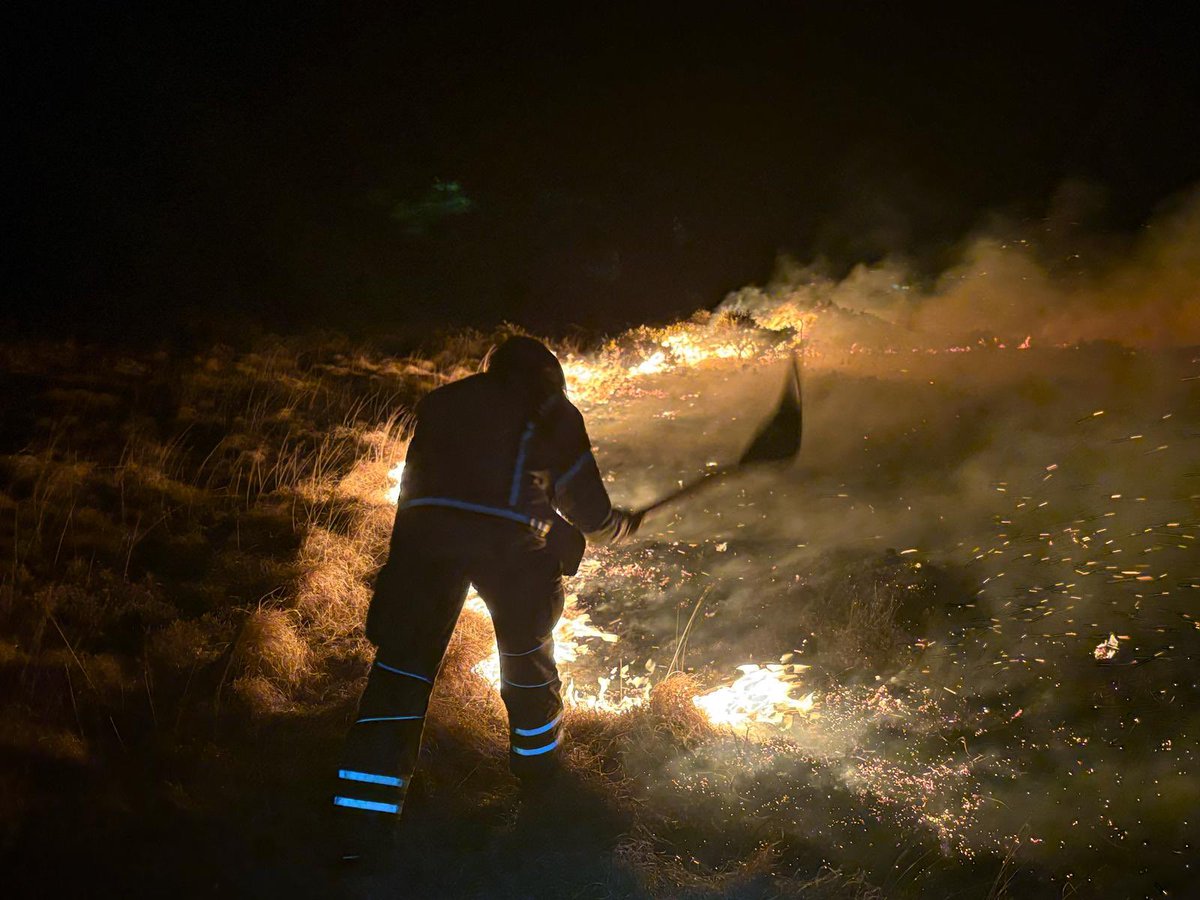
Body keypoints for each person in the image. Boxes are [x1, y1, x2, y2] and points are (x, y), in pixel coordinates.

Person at [332, 336, 641, 859]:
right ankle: (539, 774)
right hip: (512, 551)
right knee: (525, 663)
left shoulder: (444, 401)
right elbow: (586, 507)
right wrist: (612, 525)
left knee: (400, 675)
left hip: (426, 542)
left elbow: (423, 486)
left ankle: (361, 831)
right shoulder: (554, 411)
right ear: (549, 376)